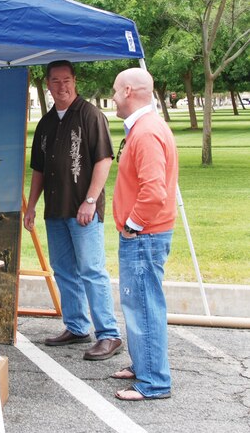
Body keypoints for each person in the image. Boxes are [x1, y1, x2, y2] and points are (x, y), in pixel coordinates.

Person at [23, 60, 122, 360]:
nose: (61, 86)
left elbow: (104, 160)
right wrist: (32, 206)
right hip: (55, 209)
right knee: (64, 270)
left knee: (92, 270)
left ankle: (109, 334)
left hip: (83, 210)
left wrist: (90, 201)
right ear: (48, 85)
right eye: (55, 81)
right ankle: (77, 327)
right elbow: (39, 169)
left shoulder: (91, 116)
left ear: (74, 81)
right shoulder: (46, 122)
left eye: (66, 80)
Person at [110, 67, 178, 401]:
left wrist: (132, 226)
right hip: (147, 234)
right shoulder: (146, 128)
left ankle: (153, 381)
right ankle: (143, 365)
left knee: (144, 306)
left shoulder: (146, 132)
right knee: (137, 302)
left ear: (127, 91)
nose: (112, 97)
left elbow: (154, 192)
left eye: (114, 91)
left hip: (144, 235)